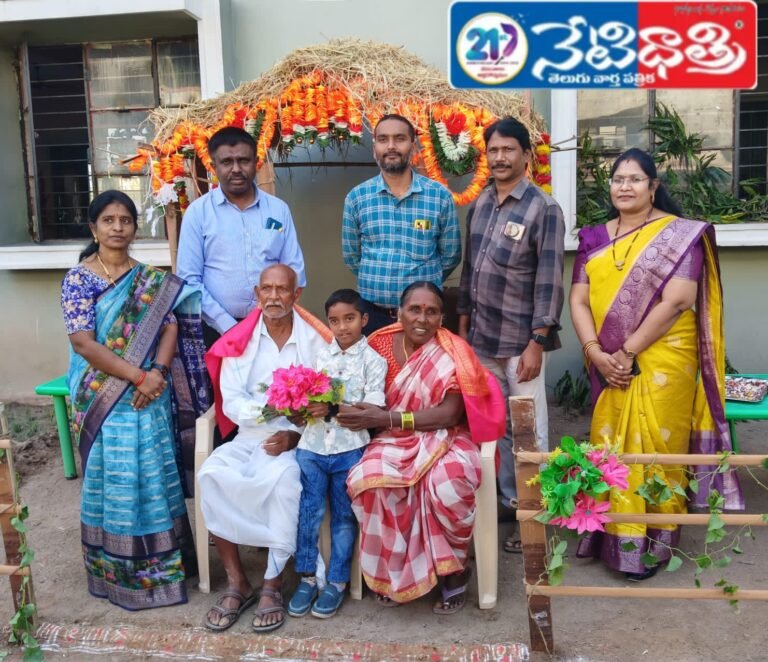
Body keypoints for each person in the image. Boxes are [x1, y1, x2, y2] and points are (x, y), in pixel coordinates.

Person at [569, 147, 743, 580]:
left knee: (657, 449)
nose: (624, 187)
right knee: (610, 444)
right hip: (606, 357)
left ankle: (654, 544)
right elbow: (577, 299)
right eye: (617, 179)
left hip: (664, 355)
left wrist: (627, 352)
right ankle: (610, 534)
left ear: (653, 186)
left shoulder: (679, 235)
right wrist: (595, 352)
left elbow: (679, 300)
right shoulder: (593, 237)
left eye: (634, 179)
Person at [61, 190, 209, 610]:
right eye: (108, 220)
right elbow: (84, 345)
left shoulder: (150, 278)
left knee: (153, 474)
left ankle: (167, 565)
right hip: (103, 394)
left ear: (134, 227)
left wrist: (158, 374)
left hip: (150, 394)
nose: (118, 228)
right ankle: (119, 572)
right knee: (118, 479)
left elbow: (169, 328)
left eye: (125, 220)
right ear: (94, 228)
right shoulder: (79, 279)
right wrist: (138, 376)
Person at [338, 282, 506, 613]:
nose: (422, 318)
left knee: (446, 483)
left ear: (441, 318)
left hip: (447, 436)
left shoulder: (454, 351)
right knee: (369, 480)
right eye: (414, 309)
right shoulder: (379, 344)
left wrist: (389, 418)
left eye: (431, 312)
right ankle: (391, 571)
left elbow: (450, 413)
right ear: (399, 313)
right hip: (389, 440)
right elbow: (358, 393)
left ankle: (454, 570)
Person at [198, 265, 331, 632]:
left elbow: (328, 400)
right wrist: (275, 408)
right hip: (249, 437)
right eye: (267, 290)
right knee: (212, 474)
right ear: (257, 294)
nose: (274, 297)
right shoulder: (240, 341)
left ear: (296, 295)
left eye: (282, 290)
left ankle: (272, 583)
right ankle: (237, 581)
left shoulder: (316, 341)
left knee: (286, 479)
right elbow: (231, 404)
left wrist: (296, 435)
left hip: (297, 442)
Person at [456, 117, 565, 554]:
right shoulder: (481, 203)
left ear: (525, 155)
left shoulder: (544, 208)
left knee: (529, 431)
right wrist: (463, 329)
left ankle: (534, 517)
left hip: (523, 345)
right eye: (493, 150)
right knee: (494, 427)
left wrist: (538, 340)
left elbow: (550, 278)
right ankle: (509, 502)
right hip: (482, 340)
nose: (500, 157)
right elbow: (470, 271)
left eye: (508, 150)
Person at [287, 289, 387, 620]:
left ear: (364, 320)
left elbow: (371, 409)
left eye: (349, 319)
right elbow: (303, 400)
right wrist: (296, 411)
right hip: (312, 449)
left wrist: (331, 407)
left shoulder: (375, 362)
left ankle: (337, 582)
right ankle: (306, 578)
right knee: (309, 514)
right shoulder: (318, 357)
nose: (342, 327)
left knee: (344, 518)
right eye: (335, 320)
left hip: (349, 451)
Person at [177, 126, 306, 347]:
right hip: (217, 330)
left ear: (255, 162)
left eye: (243, 161)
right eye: (227, 162)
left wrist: (270, 316)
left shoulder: (278, 209)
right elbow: (189, 280)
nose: (236, 169)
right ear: (213, 166)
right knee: (220, 383)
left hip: (272, 326)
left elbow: (293, 270)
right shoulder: (198, 213)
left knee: (273, 382)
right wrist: (227, 324)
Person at [342, 114, 461, 334]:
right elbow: (352, 256)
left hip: (423, 316)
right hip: (372, 314)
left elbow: (451, 255)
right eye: (383, 139)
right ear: (374, 148)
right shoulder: (357, 198)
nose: (391, 146)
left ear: (413, 147)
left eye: (399, 138)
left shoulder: (439, 197)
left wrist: (426, 282)